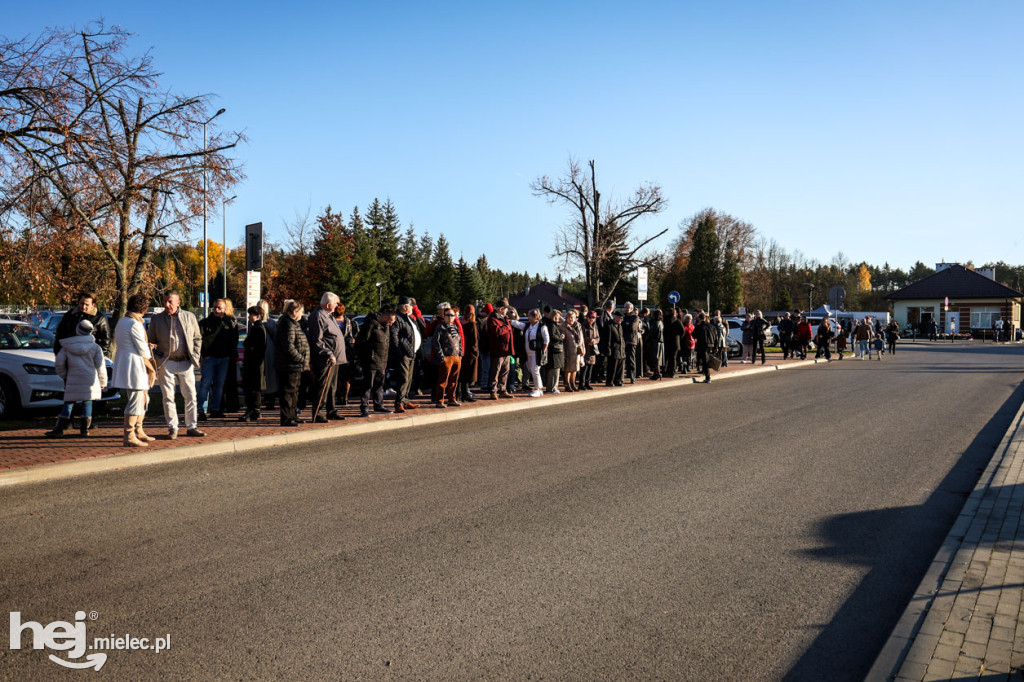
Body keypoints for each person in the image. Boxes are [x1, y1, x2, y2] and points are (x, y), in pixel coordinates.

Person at [148, 290, 205, 439]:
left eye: (170, 301)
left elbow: (197, 338)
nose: (167, 305)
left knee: (190, 395)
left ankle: (192, 426)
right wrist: (156, 357)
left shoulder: (189, 316)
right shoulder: (157, 319)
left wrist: (195, 355)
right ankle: (173, 428)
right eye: (165, 301)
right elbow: (150, 340)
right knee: (168, 397)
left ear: (178, 302)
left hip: (186, 361)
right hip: (166, 362)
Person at [46, 319, 107, 438]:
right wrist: (103, 381)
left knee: (69, 402)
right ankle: (84, 429)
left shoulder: (67, 346)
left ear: (77, 330)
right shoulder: (95, 347)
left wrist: (64, 374)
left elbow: (59, 363)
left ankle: (60, 428)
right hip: (90, 379)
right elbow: (101, 366)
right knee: (87, 402)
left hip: (73, 378)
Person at [112, 293, 156, 447]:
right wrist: (149, 351)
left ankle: (139, 430)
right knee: (136, 400)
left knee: (143, 398)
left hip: (127, 362)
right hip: (135, 365)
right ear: (144, 309)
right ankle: (129, 435)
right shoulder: (134, 324)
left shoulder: (122, 321)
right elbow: (142, 349)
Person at [197, 298, 239, 420]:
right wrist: (204, 354)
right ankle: (201, 411)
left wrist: (229, 355)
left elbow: (234, 340)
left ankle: (216, 410)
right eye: (214, 307)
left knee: (219, 385)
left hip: (224, 359)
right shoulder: (205, 323)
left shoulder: (230, 323)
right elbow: (198, 340)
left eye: (219, 307)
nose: (216, 310)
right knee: (205, 384)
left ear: (225, 309)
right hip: (209, 358)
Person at [308, 292, 346, 422]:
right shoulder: (318, 316)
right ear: (329, 304)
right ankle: (318, 413)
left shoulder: (328, 315)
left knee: (332, 387)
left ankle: (331, 410)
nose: (337, 306)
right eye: (335, 304)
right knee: (322, 387)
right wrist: (328, 353)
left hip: (335, 358)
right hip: (325, 359)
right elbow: (317, 340)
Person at [274, 299, 310, 426]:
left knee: (294, 392)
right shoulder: (287, 324)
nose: (302, 314)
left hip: (294, 365)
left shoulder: (293, 323)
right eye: (301, 312)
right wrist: (301, 358)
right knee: (288, 392)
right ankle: (286, 418)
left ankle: (293, 415)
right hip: (289, 365)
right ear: (295, 311)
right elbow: (288, 347)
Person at [355, 306, 395, 417]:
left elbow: (386, 343)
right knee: (368, 385)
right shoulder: (371, 324)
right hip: (371, 361)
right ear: (385, 317)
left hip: (382, 360)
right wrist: (366, 357)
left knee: (379, 385)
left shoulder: (385, 327)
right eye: (390, 321)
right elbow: (362, 341)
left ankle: (379, 405)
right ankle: (364, 407)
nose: (390, 324)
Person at [390, 296, 424, 413]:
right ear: (405, 307)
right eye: (411, 306)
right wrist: (399, 351)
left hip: (412, 353)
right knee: (403, 378)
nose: (412, 308)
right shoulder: (398, 319)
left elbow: (421, 329)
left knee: (409, 378)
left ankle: (405, 400)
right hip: (404, 354)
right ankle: (399, 402)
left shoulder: (409, 318)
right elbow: (394, 336)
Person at [54, 291, 112, 359]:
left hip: (89, 358)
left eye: (87, 305)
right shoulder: (70, 315)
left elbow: (105, 340)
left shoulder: (100, 318)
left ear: (93, 305)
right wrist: (59, 353)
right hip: (69, 355)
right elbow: (60, 334)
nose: (83, 307)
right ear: (78, 302)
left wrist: (97, 356)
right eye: (82, 303)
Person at [485, 298, 519, 400]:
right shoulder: (492, 319)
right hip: (498, 350)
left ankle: (502, 390)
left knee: (505, 371)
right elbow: (497, 332)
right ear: (500, 309)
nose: (507, 311)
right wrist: (506, 327)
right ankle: (493, 391)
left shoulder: (505, 318)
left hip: (507, 349)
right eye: (505, 309)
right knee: (495, 371)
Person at [431, 307, 463, 407]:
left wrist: (460, 354)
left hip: (456, 356)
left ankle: (451, 399)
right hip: (446, 357)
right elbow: (436, 342)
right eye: (447, 315)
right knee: (443, 380)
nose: (450, 317)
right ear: (444, 316)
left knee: (454, 380)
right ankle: (439, 400)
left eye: (452, 315)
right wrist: (442, 356)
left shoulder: (455, 327)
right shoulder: (440, 327)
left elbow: (460, 340)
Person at [239, 305, 267, 422]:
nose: (249, 317)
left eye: (251, 314)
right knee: (255, 387)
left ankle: (252, 410)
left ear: (257, 316)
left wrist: (250, 350)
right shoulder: (257, 327)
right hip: (255, 362)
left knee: (252, 387)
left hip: (254, 363)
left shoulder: (258, 328)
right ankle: (255, 410)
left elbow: (258, 346)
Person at [332, 303, 359, 406]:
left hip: (341, 353)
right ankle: (344, 398)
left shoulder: (332, 322)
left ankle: (340, 397)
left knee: (339, 377)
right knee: (345, 377)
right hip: (347, 353)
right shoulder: (350, 323)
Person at [258, 299, 278, 409]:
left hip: (262, 351)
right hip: (270, 351)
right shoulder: (271, 323)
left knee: (263, 376)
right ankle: (270, 401)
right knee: (271, 376)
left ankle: (265, 400)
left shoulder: (256, 323)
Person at [458, 304, 479, 403]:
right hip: (469, 352)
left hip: (461, 351)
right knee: (467, 374)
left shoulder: (459, 323)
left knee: (460, 373)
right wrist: (475, 352)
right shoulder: (472, 324)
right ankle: (465, 393)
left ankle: (459, 393)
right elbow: (474, 340)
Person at [543, 308, 565, 393]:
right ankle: (552, 388)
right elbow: (552, 336)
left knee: (555, 370)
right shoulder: (551, 325)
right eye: (557, 316)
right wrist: (561, 337)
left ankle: (552, 387)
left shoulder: (552, 324)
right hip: (554, 351)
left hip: (555, 351)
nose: (558, 318)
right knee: (554, 370)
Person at [562, 309, 584, 391]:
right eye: (569, 317)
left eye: (573, 317)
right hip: (568, 351)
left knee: (575, 368)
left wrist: (582, 349)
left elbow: (581, 339)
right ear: (566, 318)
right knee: (568, 369)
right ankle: (567, 384)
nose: (571, 319)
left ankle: (573, 383)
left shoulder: (578, 326)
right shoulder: (563, 327)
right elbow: (563, 339)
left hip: (577, 351)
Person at [693, 312, 717, 383]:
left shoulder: (699, 326)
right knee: (706, 359)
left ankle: (707, 377)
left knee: (704, 361)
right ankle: (705, 372)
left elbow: (694, 335)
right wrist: (716, 346)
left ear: (700, 319)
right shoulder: (711, 326)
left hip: (703, 345)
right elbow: (716, 337)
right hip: (711, 344)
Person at [622, 302, 641, 384]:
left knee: (631, 359)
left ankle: (633, 377)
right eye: (625, 307)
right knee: (622, 359)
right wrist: (626, 324)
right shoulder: (623, 317)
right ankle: (623, 376)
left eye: (629, 307)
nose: (627, 309)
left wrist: (624, 324)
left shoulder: (635, 317)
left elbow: (632, 327)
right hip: (623, 341)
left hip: (631, 341)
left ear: (632, 308)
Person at [580, 310, 599, 389]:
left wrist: (594, 341)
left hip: (593, 349)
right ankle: (581, 384)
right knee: (584, 367)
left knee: (590, 367)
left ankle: (587, 383)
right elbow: (581, 337)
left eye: (593, 317)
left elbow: (598, 337)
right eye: (590, 317)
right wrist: (589, 341)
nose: (591, 319)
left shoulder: (595, 326)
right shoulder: (583, 326)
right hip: (585, 348)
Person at [606, 310, 626, 386]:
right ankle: (610, 381)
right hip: (614, 349)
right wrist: (608, 350)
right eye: (620, 318)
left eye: (622, 318)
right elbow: (608, 339)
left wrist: (623, 346)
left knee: (620, 366)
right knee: (612, 366)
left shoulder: (620, 326)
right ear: (615, 317)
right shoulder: (610, 325)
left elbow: (622, 337)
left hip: (621, 349)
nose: (621, 320)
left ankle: (618, 380)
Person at [645, 309, 664, 380]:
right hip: (660, 342)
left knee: (655, 359)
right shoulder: (661, 322)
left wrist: (646, 339)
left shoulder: (655, 323)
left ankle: (657, 373)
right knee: (658, 359)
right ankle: (656, 373)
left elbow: (652, 333)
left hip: (655, 342)